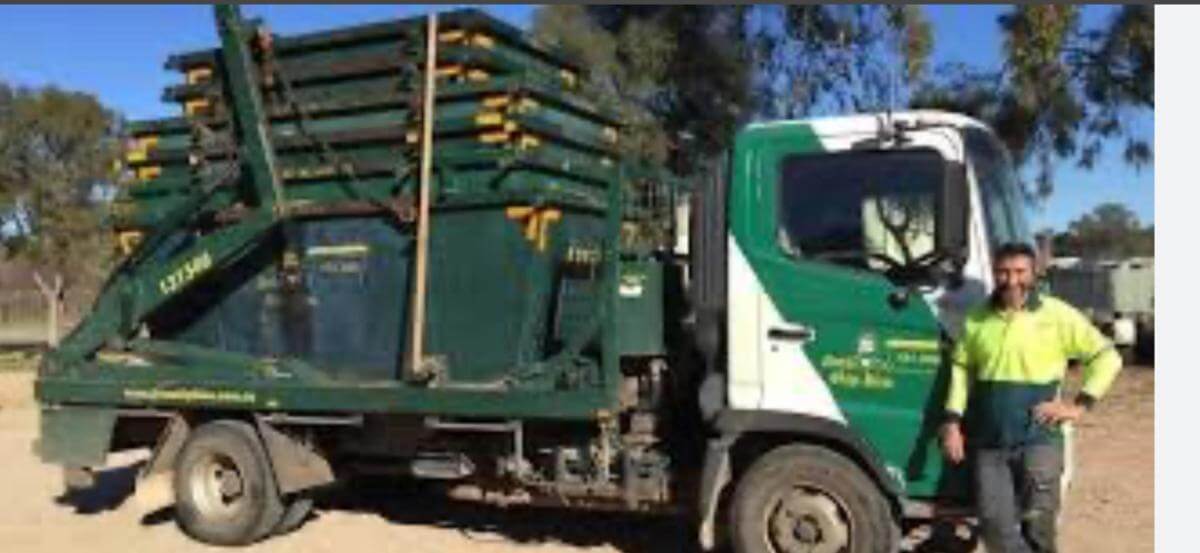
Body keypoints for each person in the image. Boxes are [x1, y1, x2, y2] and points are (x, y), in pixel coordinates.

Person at [940, 242, 1123, 553]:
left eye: (1019, 272)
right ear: (994, 274)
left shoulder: (1058, 315)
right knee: (995, 529)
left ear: (1035, 273)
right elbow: (960, 370)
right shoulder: (976, 318)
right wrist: (952, 421)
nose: (1012, 280)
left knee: (1039, 528)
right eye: (1003, 272)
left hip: (1040, 441)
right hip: (989, 444)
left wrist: (1079, 406)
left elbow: (1108, 357)